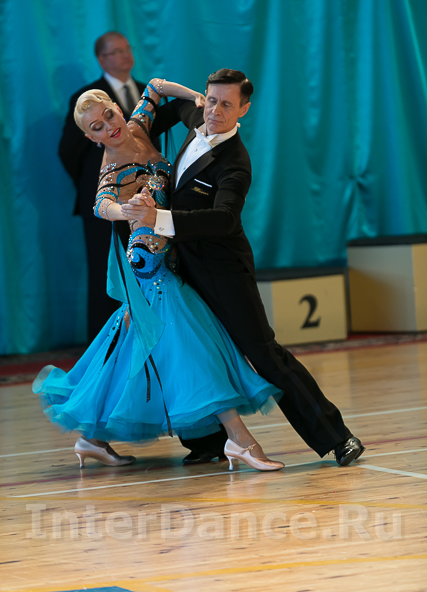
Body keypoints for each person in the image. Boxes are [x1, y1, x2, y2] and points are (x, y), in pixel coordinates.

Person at [33, 78, 285, 473]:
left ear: (118, 109)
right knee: (191, 344)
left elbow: (154, 87)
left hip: (169, 254)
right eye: (97, 127)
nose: (109, 127)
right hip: (149, 261)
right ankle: (240, 439)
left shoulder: (137, 126)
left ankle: (92, 438)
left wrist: (195, 96)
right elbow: (101, 205)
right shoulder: (111, 169)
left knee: (137, 346)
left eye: (109, 115)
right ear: (90, 137)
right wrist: (128, 211)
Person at [125, 68, 365, 467]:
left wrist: (158, 218)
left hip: (223, 271)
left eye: (227, 104)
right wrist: (133, 143)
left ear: (244, 110)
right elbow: (160, 111)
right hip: (181, 267)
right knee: (189, 351)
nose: (215, 111)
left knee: (264, 354)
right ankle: (207, 443)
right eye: (211, 100)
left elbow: (225, 220)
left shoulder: (236, 162)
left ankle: (337, 437)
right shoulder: (196, 116)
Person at [59, 31, 159, 339]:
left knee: (152, 271)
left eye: (127, 48)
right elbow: (69, 152)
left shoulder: (145, 92)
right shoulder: (84, 99)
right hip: (107, 208)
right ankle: (109, 346)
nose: (126, 55)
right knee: (108, 274)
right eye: (117, 51)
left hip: (149, 204)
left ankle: (153, 341)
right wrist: (105, 184)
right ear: (102, 59)